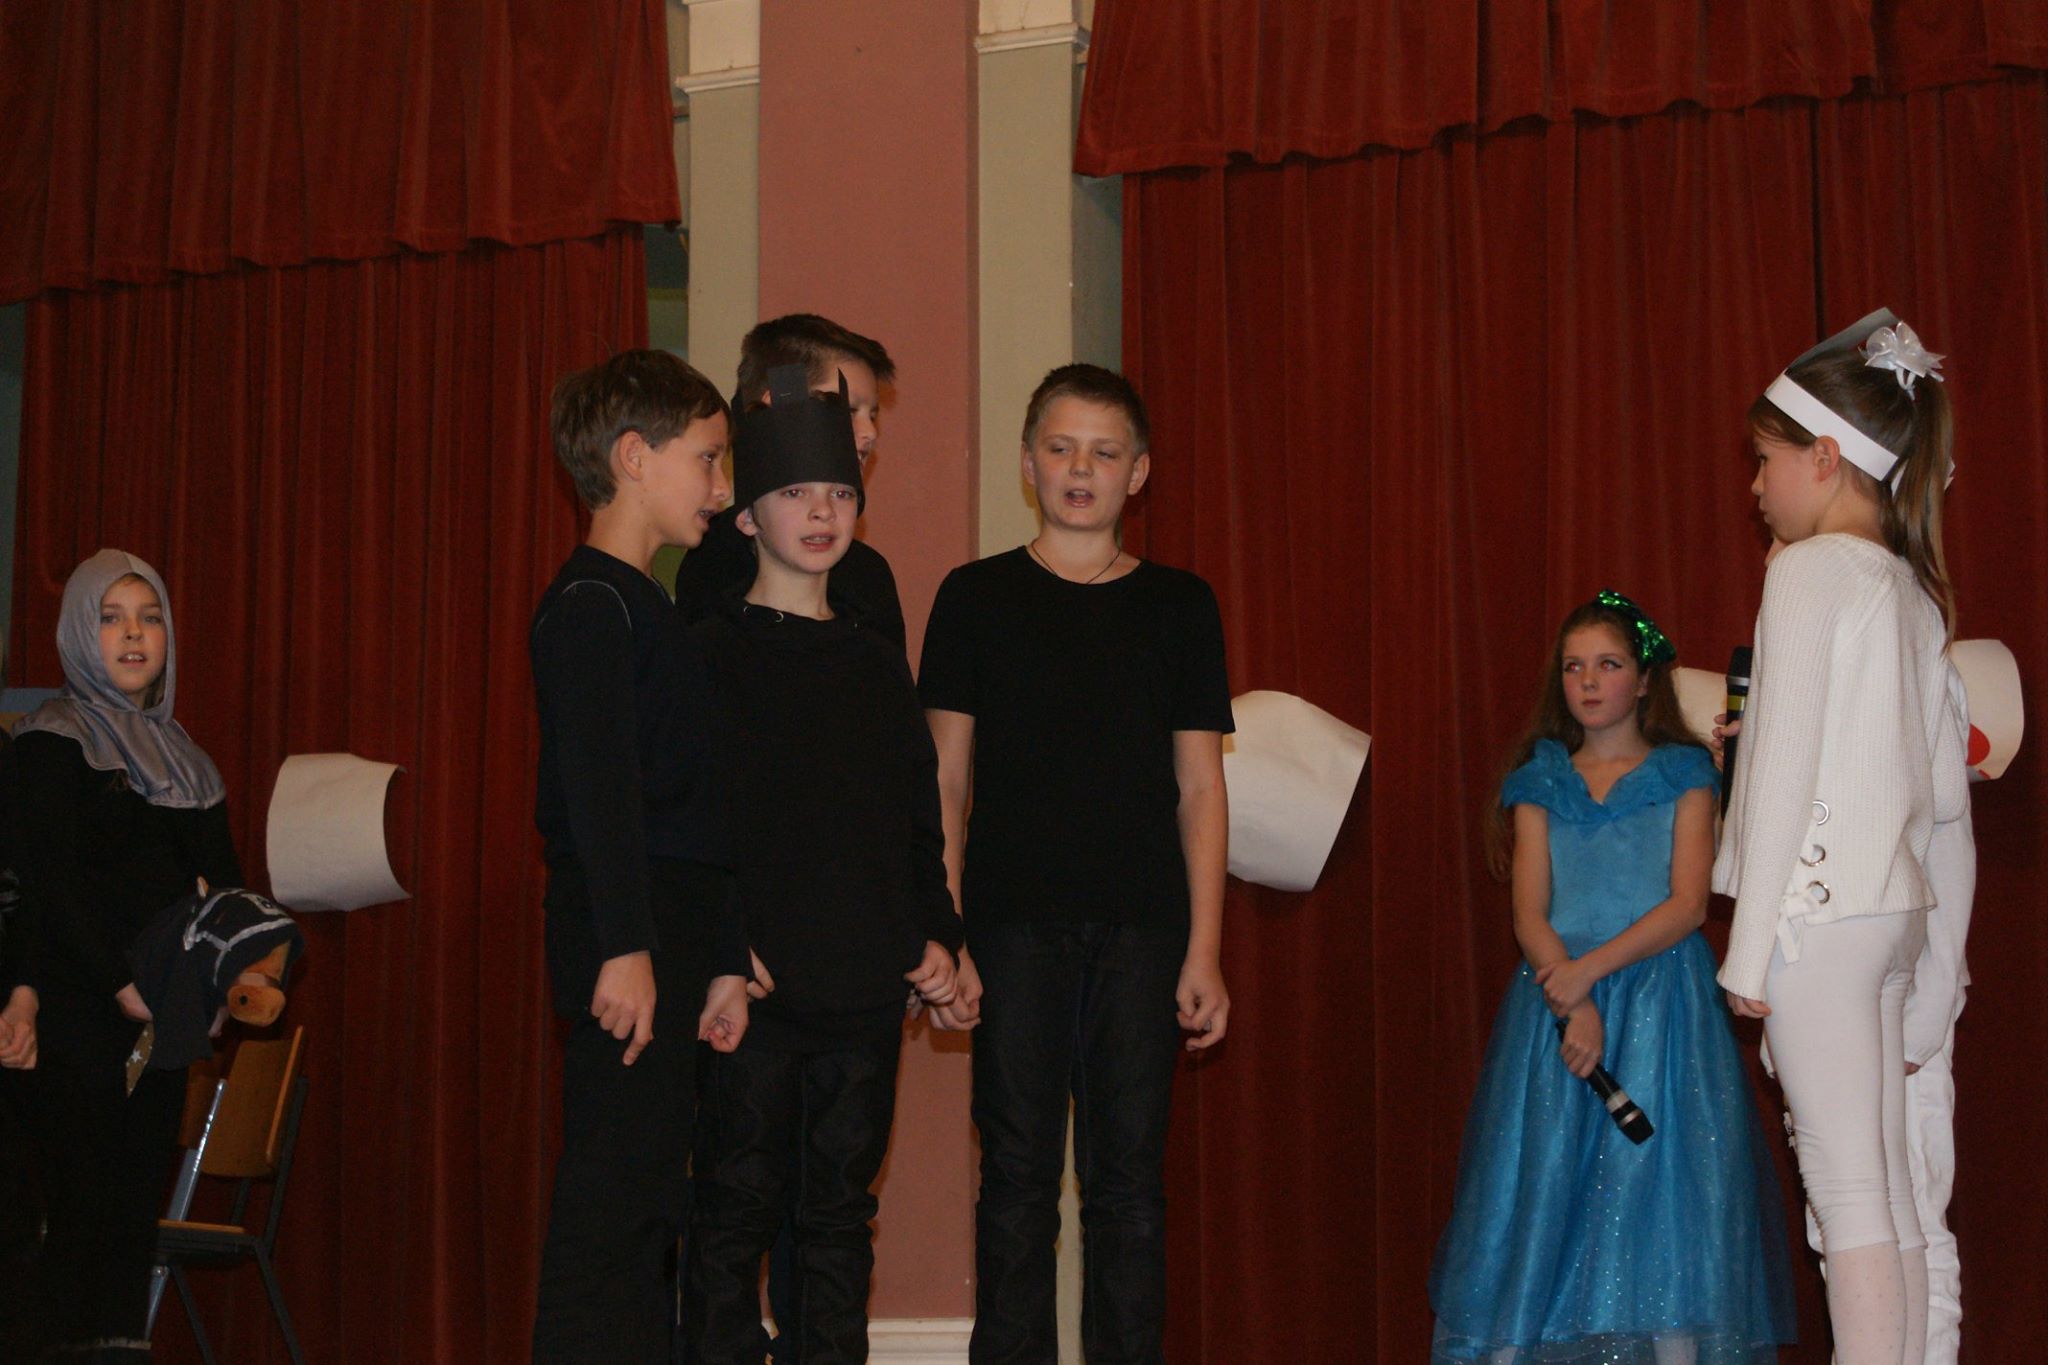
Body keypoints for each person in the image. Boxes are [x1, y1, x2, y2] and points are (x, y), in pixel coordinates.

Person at [918, 364, 1233, 1364]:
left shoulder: (1181, 605)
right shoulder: (973, 596)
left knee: (1127, 1188)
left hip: (1144, 932)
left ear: (1138, 472)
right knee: (1014, 1182)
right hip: (1009, 928)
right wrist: (946, 932)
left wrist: (1205, 951)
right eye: (1061, 448)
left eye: (1104, 452)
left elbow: (1201, 788)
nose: (1080, 469)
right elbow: (945, 780)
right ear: (1028, 464)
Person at [1428, 590, 1795, 1363]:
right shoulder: (1541, 778)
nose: (1589, 681)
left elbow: (1688, 903)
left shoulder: (1685, 772)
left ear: (1644, 678)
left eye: (1608, 664)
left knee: (1663, 1200)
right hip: (1557, 1005)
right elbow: (1530, 912)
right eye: (1574, 667)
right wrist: (1571, 999)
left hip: (1662, 1008)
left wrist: (1586, 975)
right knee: (1545, 1192)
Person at [683, 365, 962, 1363]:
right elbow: (691, 827)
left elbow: (913, 819)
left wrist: (936, 934)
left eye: (840, 493)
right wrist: (723, 947)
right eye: (797, 492)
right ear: (746, 515)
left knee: (839, 1219)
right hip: (755, 993)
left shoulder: (875, 661)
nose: (820, 512)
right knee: (732, 1212)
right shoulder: (707, 656)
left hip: (861, 994)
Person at [1715, 312, 1968, 1364]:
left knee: (1847, 1191)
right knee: (1889, 1191)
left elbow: (1780, 770)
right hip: (1890, 915)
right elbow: (1937, 789)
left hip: (1817, 916)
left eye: (1764, 460)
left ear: (1823, 457)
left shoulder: (1810, 571)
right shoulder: (1909, 587)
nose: (1754, 486)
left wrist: (1745, 950)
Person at [529, 349, 753, 1363]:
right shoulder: (591, 606)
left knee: (653, 1201)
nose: (722, 486)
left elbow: (700, 810)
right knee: (610, 1208)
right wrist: (625, 948)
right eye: (707, 458)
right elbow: (600, 793)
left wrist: (719, 956)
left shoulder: (648, 606)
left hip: (673, 933)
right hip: (626, 936)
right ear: (632, 457)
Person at [1, 549, 244, 1362]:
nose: (134, 634)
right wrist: (120, 981)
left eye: (149, 617)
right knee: (76, 1215)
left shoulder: (189, 761)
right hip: (76, 1017)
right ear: (79, 633)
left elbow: (224, 891)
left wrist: (216, 980)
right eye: (111, 618)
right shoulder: (49, 741)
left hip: (159, 1022)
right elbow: (49, 885)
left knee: (130, 1220)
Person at [673, 314, 904, 652]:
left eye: (872, 415)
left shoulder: (869, 574)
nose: (869, 433)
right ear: (781, 403)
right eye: (847, 409)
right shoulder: (715, 558)